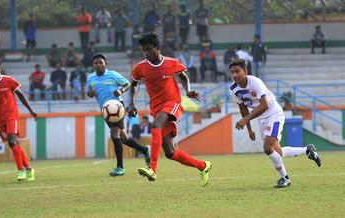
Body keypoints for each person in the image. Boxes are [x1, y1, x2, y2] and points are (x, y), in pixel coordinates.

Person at [128, 33, 211, 187]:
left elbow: (183, 77)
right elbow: (133, 84)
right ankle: (203, 166)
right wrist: (132, 104)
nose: (146, 53)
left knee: (155, 126)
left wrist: (188, 91)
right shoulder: (141, 67)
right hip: (156, 107)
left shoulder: (171, 63)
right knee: (170, 153)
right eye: (143, 50)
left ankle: (152, 168)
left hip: (172, 102)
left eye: (148, 49)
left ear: (157, 48)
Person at [229, 58, 322, 188]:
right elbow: (243, 108)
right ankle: (307, 151)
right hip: (261, 118)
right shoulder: (233, 89)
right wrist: (249, 129)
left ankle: (285, 178)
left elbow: (265, 105)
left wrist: (246, 120)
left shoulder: (255, 82)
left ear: (245, 71)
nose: (234, 75)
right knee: (278, 152)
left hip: (274, 114)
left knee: (267, 148)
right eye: (232, 72)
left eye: (237, 71)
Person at [86, 53, 151, 177]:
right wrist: (90, 92)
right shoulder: (91, 78)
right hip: (106, 110)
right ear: (93, 65)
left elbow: (128, 84)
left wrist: (120, 90)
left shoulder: (113, 74)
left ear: (106, 63)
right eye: (96, 63)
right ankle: (145, 150)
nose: (98, 65)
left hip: (116, 107)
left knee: (114, 135)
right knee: (124, 138)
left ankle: (120, 167)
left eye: (101, 62)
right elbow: (88, 93)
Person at [0, 57, 37, 181]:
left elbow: (21, 95)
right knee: (14, 144)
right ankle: (29, 169)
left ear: (0, 67)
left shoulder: (9, 80)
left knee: (12, 141)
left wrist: (31, 110)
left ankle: (20, 170)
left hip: (11, 115)